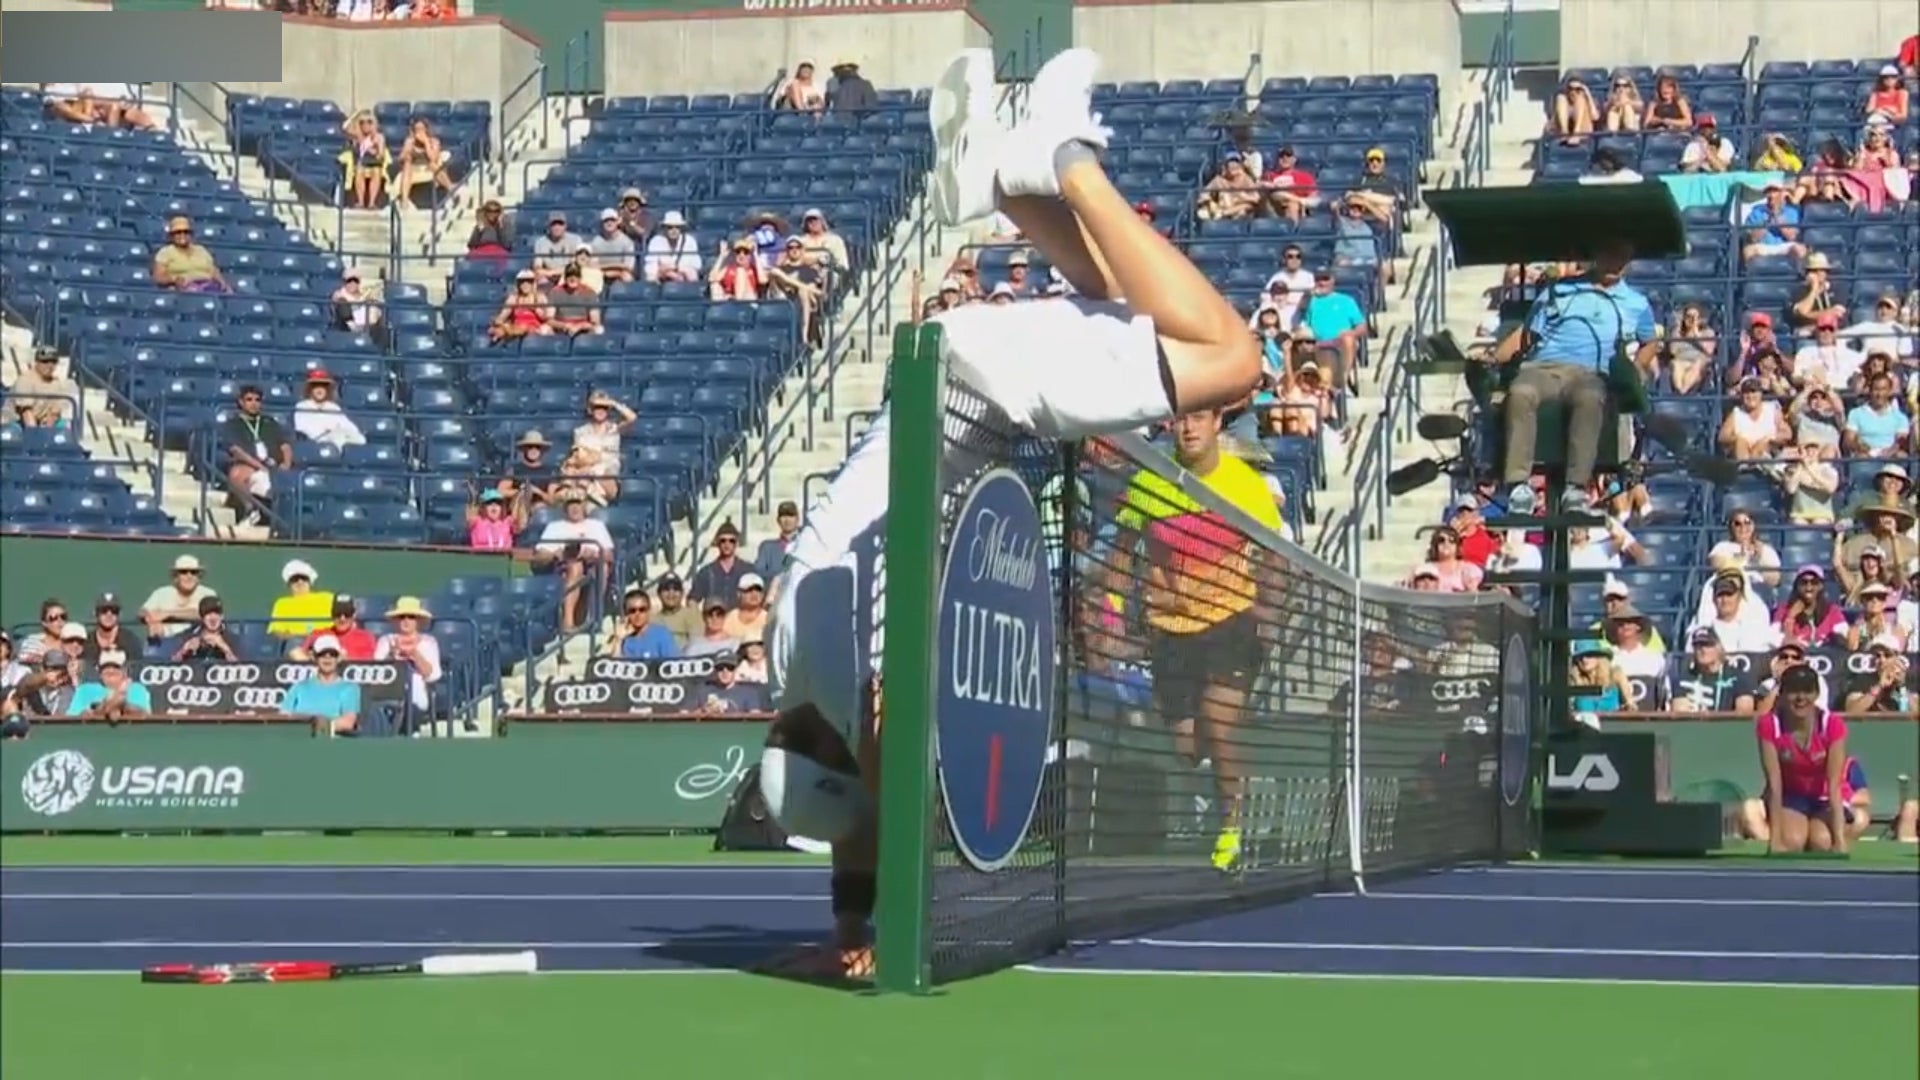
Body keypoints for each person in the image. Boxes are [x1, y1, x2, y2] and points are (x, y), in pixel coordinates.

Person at [754, 47, 1261, 982]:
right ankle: (1007, 181)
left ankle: (1061, 159)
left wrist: (864, 931)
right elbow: (855, 812)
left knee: (1233, 360)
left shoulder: (845, 663)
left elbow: (871, 797)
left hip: (974, 392)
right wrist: (852, 928)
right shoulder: (802, 640)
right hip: (964, 387)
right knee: (1124, 306)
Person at [1109, 407, 1283, 873]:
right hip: (1170, 631)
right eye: (1181, 419)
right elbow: (1121, 556)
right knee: (1189, 749)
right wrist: (1112, 616)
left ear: (1216, 423)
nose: (1188, 428)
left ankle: (1232, 829)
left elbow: (1277, 555)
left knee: (1218, 724)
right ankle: (1236, 778)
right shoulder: (1149, 482)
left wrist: (1269, 613)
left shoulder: (1245, 485)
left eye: (1198, 418)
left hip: (1231, 623)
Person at [1482, 239, 1658, 516]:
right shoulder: (1560, 290)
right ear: (1597, 255)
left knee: (1590, 397)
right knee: (1521, 393)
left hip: (1591, 372)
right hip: (1543, 366)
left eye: (1622, 257)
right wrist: (1494, 357)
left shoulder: (1635, 303)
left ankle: (1575, 487)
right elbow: (1527, 334)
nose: (1615, 262)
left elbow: (1650, 342)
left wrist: (1635, 369)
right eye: (1610, 254)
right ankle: (1518, 485)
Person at [1752, 663, 1854, 854]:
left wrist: (1839, 842)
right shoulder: (1769, 725)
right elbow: (1774, 784)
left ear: (1816, 695)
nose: (1800, 698)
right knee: (1792, 842)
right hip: (1792, 797)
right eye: (1793, 691)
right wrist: (1775, 842)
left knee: (1822, 843)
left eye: (1807, 691)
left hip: (1824, 798)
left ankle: (1837, 831)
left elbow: (1834, 784)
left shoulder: (1832, 725)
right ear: (1782, 695)